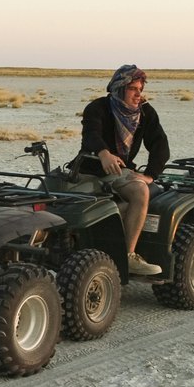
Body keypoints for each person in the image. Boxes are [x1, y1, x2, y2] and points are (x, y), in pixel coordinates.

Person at [74, 63, 167, 277]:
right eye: (133, 89)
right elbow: (91, 133)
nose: (138, 95)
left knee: (140, 191)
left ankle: (128, 255)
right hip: (88, 167)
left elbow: (160, 143)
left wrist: (150, 175)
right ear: (119, 87)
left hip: (119, 171)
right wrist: (103, 152)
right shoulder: (97, 107)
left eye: (140, 90)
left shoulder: (145, 112)